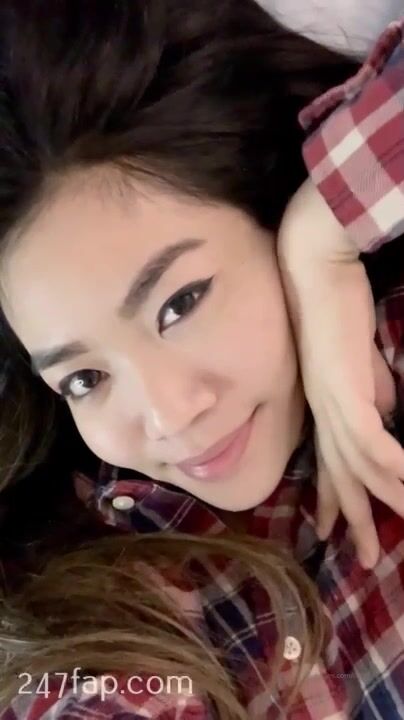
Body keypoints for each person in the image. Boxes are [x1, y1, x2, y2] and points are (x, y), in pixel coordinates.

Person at [0, 2, 403, 719]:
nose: (167, 417)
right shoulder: (105, 611)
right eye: (85, 379)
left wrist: (323, 233)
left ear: (264, 203)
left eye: (180, 304)